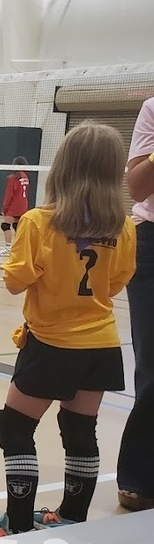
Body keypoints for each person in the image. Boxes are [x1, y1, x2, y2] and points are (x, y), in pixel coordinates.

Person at [0, 123, 135, 536]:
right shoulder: (123, 227)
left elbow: (16, 280)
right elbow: (117, 280)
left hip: (51, 344)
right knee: (79, 429)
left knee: (15, 427)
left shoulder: (39, 222)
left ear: (63, 168)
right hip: (101, 344)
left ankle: (18, 525)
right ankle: (72, 518)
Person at [119, 100, 154, 513]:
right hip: (151, 244)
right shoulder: (151, 109)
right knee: (152, 367)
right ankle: (139, 477)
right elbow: (138, 186)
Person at [0, 156, 31, 257]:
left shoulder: (13, 178)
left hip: (14, 205)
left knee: (5, 225)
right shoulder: (25, 177)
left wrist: (4, 208)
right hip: (23, 205)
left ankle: (8, 248)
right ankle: (19, 248)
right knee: (17, 226)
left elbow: (9, 195)